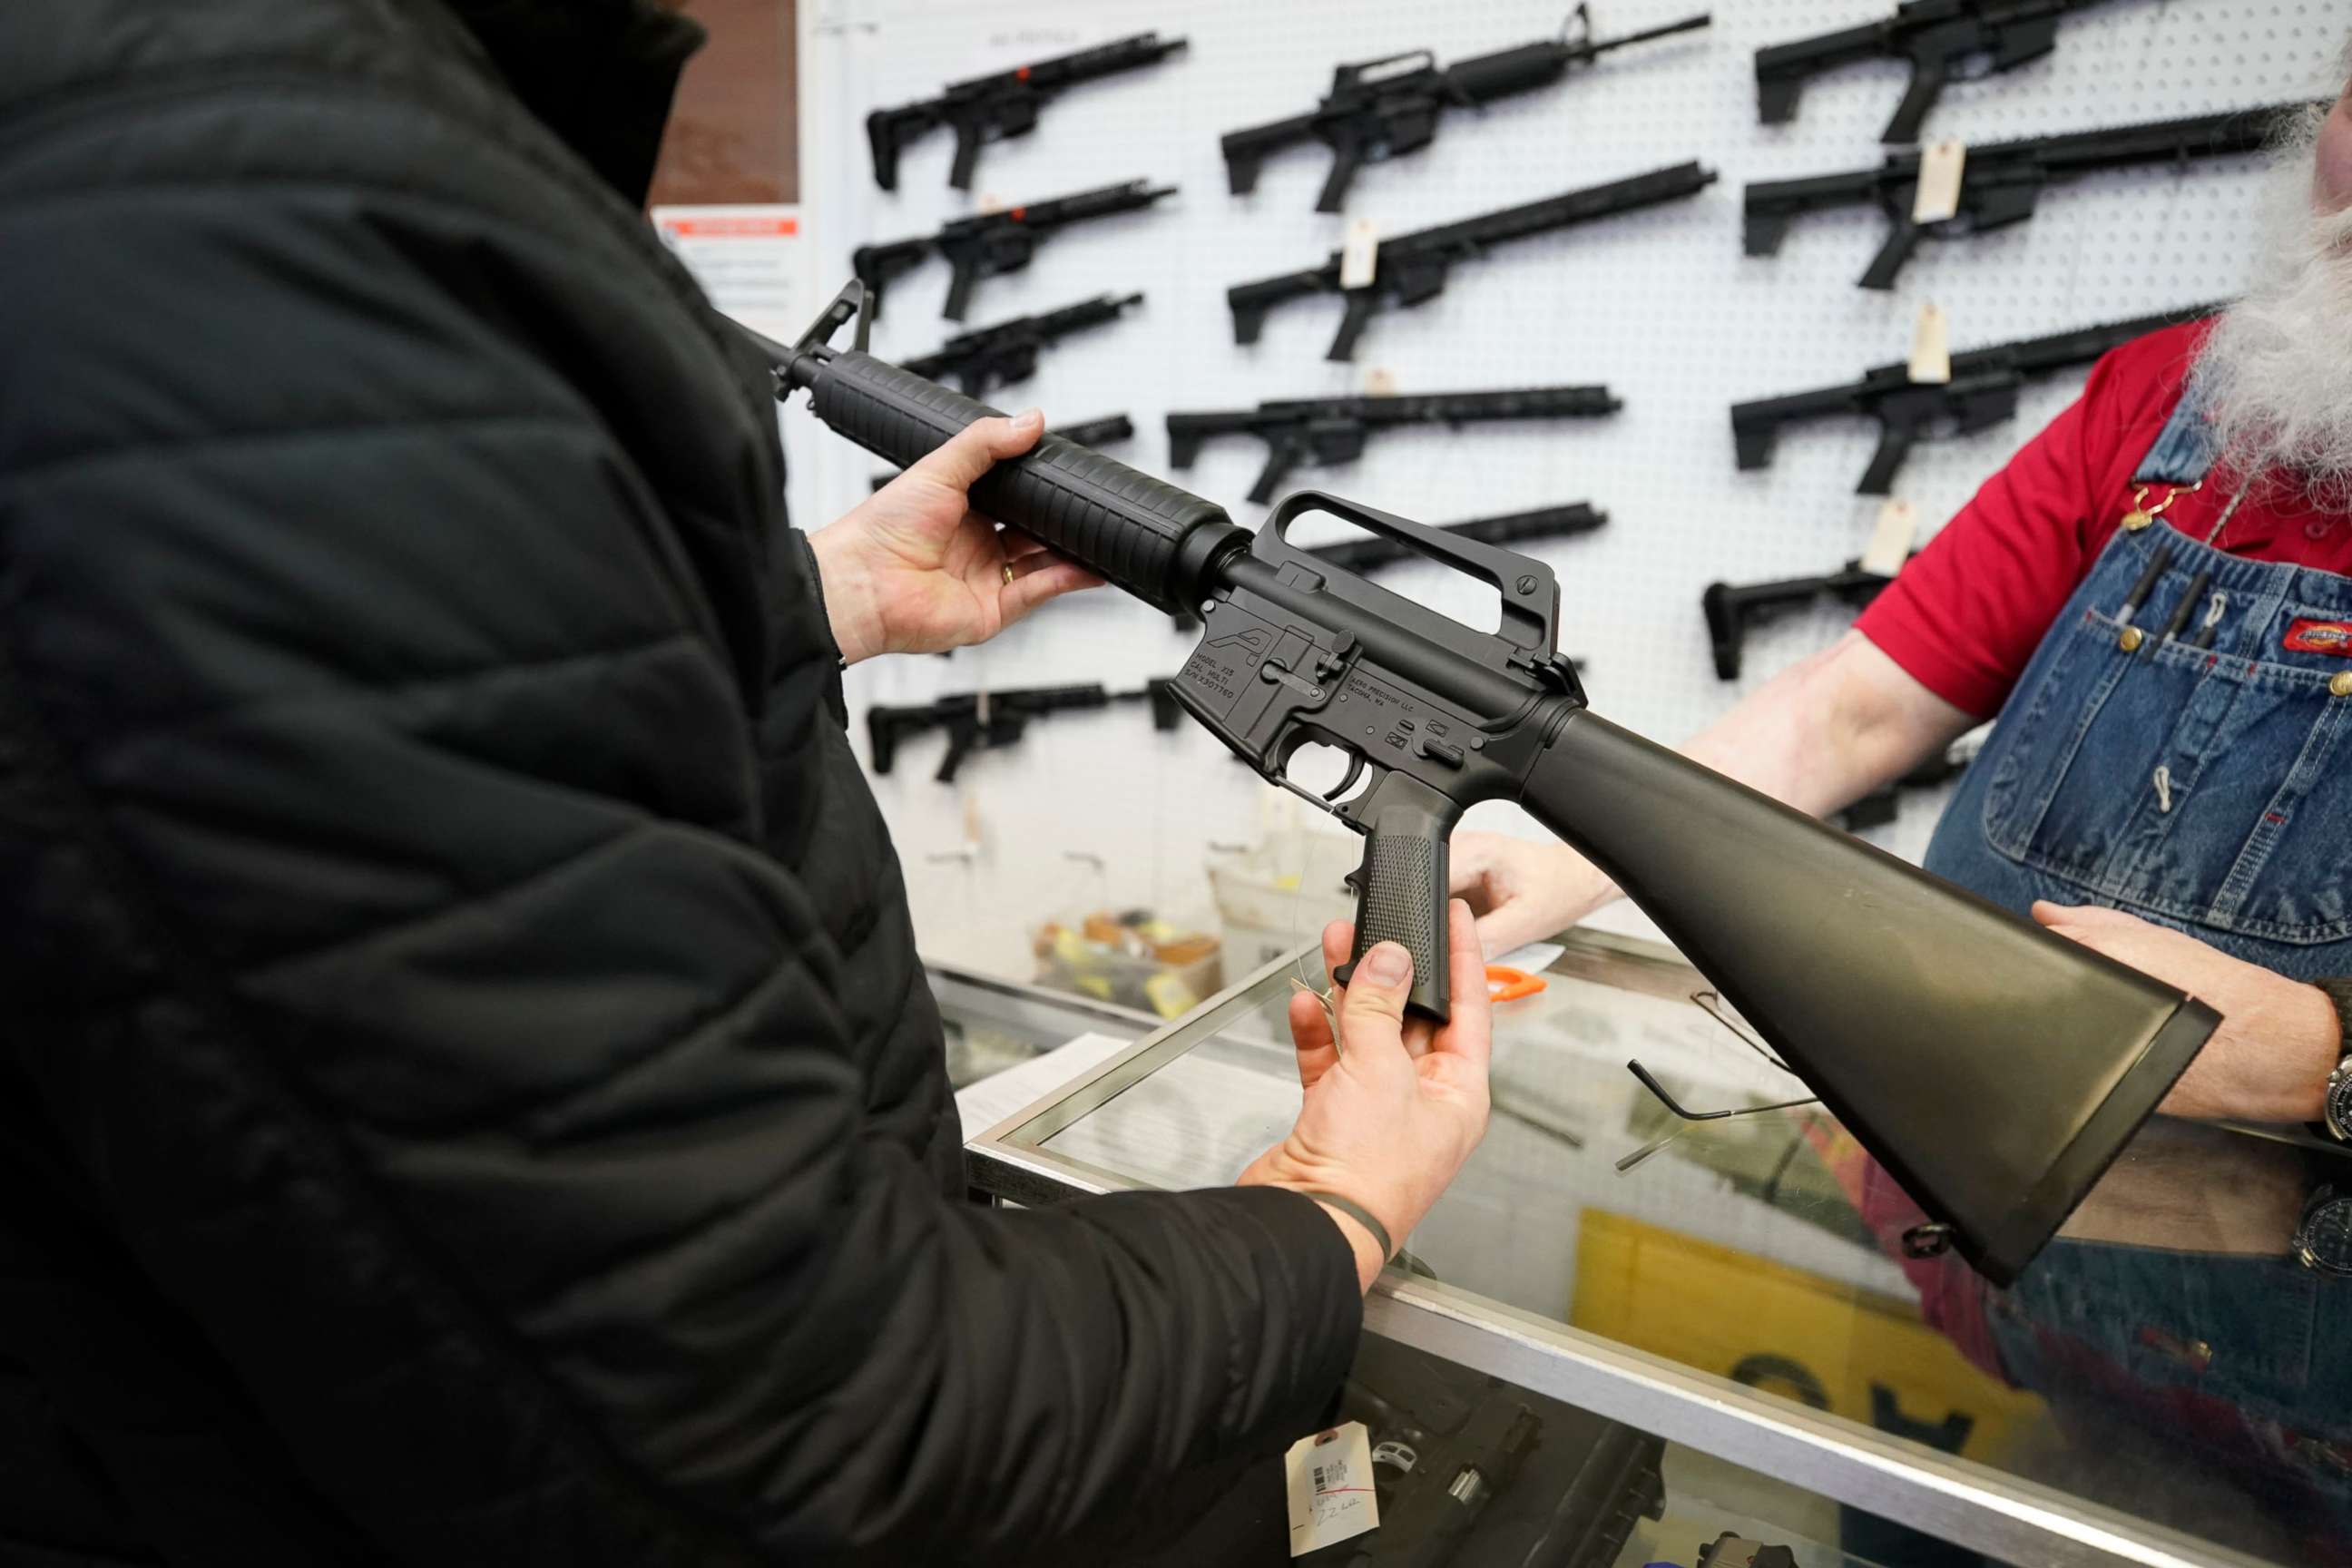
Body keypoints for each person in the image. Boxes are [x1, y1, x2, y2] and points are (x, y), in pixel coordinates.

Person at [0, 3, 1491, 1564]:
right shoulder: (251, 222)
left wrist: (793, 606)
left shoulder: (218, 167)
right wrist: (1331, 1213)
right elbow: (795, 1425)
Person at [1457, 64, 2352, 1132]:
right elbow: (1855, 710)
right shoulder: (2164, 398)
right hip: (1945, 1145)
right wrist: (1577, 854)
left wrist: (2321, 1060)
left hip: (2279, 1235)